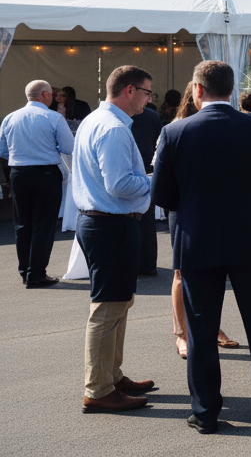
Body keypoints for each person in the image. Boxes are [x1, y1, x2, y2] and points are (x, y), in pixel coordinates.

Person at [152, 60, 251, 433]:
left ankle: (205, 411)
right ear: (232, 89)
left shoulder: (175, 132)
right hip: (249, 238)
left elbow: (162, 194)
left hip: (197, 239)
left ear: (197, 90)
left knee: (201, 329)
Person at [71, 65, 156, 413]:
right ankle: (99, 387)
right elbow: (119, 185)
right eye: (148, 92)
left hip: (102, 222)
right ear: (130, 90)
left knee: (117, 303)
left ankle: (110, 375)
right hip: (110, 223)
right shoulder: (113, 129)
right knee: (108, 308)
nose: (151, 99)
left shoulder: (98, 120)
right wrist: (154, 180)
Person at [166, 89, 239, 358]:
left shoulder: (220, 125)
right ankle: (181, 333)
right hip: (185, 209)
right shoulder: (176, 128)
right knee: (181, 273)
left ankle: (212, 327)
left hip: (213, 209)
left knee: (212, 274)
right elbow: (162, 176)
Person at [0, 80, 75, 288]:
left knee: (22, 224)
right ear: (44, 95)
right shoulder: (53, 117)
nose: (52, 97)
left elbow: (3, 150)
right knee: (44, 224)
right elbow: (69, 147)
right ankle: (37, 272)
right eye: (51, 93)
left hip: (19, 173)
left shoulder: (10, 117)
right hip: (46, 173)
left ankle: (25, 270)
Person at [129, 104, 162, 277]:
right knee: (146, 220)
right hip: (146, 172)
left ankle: (140, 263)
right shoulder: (152, 115)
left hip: (135, 171)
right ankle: (148, 264)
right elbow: (159, 142)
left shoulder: (149, 115)